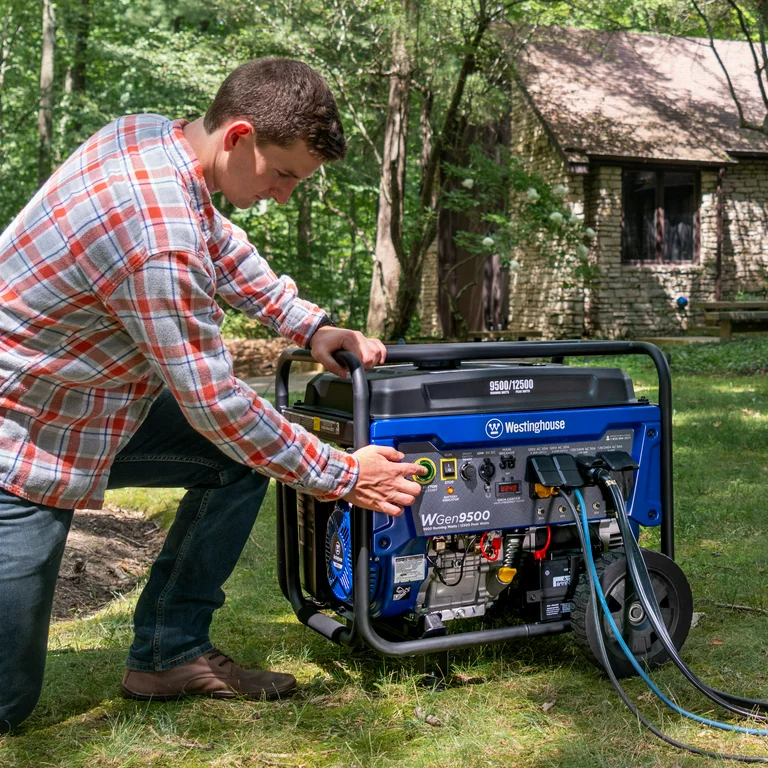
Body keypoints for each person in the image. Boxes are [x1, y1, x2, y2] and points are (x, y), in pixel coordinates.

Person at [0, 58, 424, 732]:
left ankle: (169, 653)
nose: (284, 195)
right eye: (283, 174)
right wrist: (343, 474)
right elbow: (217, 404)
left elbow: (218, 243)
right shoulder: (156, 235)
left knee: (236, 463)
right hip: (21, 434)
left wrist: (305, 322)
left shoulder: (146, 138)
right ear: (240, 136)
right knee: (5, 707)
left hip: (93, 408)